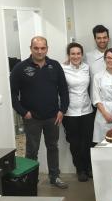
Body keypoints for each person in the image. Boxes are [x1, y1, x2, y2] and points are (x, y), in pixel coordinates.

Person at [10, 36, 69, 189]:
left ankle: (54, 176)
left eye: (43, 48)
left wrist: (62, 110)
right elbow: (12, 94)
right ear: (31, 48)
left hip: (52, 117)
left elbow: (63, 90)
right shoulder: (20, 68)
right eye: (36, 48)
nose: (39, 51)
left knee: (52, 147)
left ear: (47, 49)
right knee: (31, 151)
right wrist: (23, 112)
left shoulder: (54, 66)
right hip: (32, 118)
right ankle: (31, 180)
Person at [61, 42, 94, 182]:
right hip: (70, 112)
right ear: (68, 55)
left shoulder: (86, 67)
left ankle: (88, 167)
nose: (76, 56)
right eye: (73, 53)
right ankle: (79, 169)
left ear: (82, 55)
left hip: (87, 110)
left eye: (78, 53)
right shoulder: (62, 68)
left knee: (87, 141)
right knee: (74, 142)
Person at [92, 48, 112, 143]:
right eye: (108, 58)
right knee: (103, 145)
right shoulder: (98, 76)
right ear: (104, 59)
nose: (111, 60)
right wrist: (106, 115)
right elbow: (96, 98)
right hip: (103, 114)